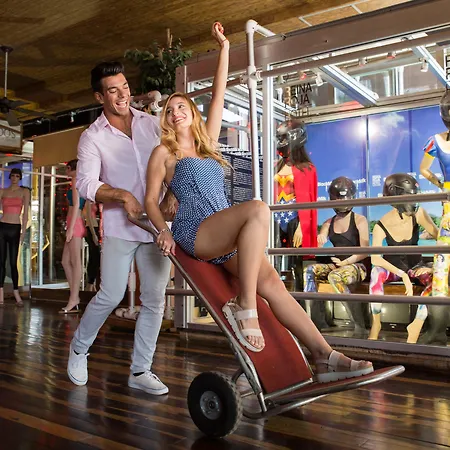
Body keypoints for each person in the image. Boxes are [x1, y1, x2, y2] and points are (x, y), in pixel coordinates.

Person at [145, 22, 373, 383]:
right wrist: (163, 230)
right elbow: (149, 199)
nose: (175, 113)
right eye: (170, 110)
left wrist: (224, 48)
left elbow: (218, 93)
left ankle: (325, 356)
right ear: (166, 119)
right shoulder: (164, 152)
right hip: (196, 230)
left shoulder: (207, 144)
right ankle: (245, 304)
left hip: (223, 229)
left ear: (192, 111)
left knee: (272, 283)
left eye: (181, 106)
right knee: (257, 208)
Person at [67, 60, 172, 395]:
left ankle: (140, 370)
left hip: (155, 227)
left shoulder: (151, 124)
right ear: (100, 97)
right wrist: (122, 195)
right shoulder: (92, 137)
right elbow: (86, 183)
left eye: (125, 87)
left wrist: (173, 196)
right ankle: (79, 348)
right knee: (111, 294)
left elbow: (173, 161)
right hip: (119, 227)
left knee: (154, 299)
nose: (122, 94)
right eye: (113, 90)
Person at [368, 173, 438, 342]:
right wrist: (402, 274)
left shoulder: (419, 213)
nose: (413, 202)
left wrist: (433, 267)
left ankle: (417, 324)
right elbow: (375, 259)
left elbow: (441, 238)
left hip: (416, 266)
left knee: (437, 281)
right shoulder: (381, 225)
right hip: (393, 269)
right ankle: (376, 323)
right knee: (376, 273)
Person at [304, 177, 369, 336]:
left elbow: (365, 251)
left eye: (343, 199)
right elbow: (321, 239)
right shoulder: (328, 222)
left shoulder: (360, 220)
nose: (341, 203)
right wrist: (320, 239)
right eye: (337, 199)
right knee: (310, 271)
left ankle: (359, 325)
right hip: (338, 264)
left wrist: (345, 262)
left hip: (358, 266)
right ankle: (315, 322)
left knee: (335, 276)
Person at [274, 119, 318, 294]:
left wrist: (302, 226)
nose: (281, 141)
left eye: (284, 137)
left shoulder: (307, 168)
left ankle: (301, 303)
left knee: (299, 266)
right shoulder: (276, 166)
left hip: (294, 219)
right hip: (276, 219)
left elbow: (308, 200)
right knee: (274, 261)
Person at [0, 168, 30, 306]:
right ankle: (1, 293)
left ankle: (16, 293)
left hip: (15, 227)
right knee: (1, 261)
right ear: (10, 177)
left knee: (13, 262)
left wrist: (23, 232)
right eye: (12, 176)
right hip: (2, 226)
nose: (14, 178)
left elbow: (25, 214)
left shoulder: (24, 192)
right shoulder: (2, 191)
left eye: (17, 176)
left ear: (20, 178)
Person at [60, 159, 86, 314]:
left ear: (70, 168)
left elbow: (76, 204)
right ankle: (74, 296)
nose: (66, 172)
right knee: (65, 261)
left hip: (75, 223)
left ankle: (74, 298)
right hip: (73, 222)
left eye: (67, 168)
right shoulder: (78, 181)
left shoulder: (77, 180)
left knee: (75, 261)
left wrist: (70, 228)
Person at [83, 200, 100, 291]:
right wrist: (94, 234)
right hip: (91, 229)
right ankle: (90, 282)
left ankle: (91, 283)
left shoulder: (94, 201)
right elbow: (88, 217)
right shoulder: (88, 201)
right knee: (95, 256)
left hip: (95, 228)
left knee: (94, 256)